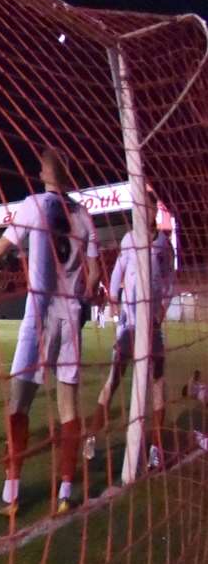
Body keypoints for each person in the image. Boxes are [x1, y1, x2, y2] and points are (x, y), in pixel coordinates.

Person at [0, 148, 100, 515]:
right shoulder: (84, 215)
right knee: (67, 405)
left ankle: (11, 496)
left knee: (19, 403)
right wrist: (81, 297)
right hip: (71, 314)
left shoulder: (34, 204)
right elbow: (92, 277)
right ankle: (64, 493)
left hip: (40, 313)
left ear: (44, 170)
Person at [88, 192, 175, 466]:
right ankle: (91, 436)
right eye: (143, 208)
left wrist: (163, 308)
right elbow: (117, 272)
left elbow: (170, 279)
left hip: (152, 324)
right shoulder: (128, 240)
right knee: (114, 379)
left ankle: (155, 450)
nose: (147, 213)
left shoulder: (164, 245)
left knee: (158, 382)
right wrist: (114, 301)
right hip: (130, 323)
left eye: (151, 209)